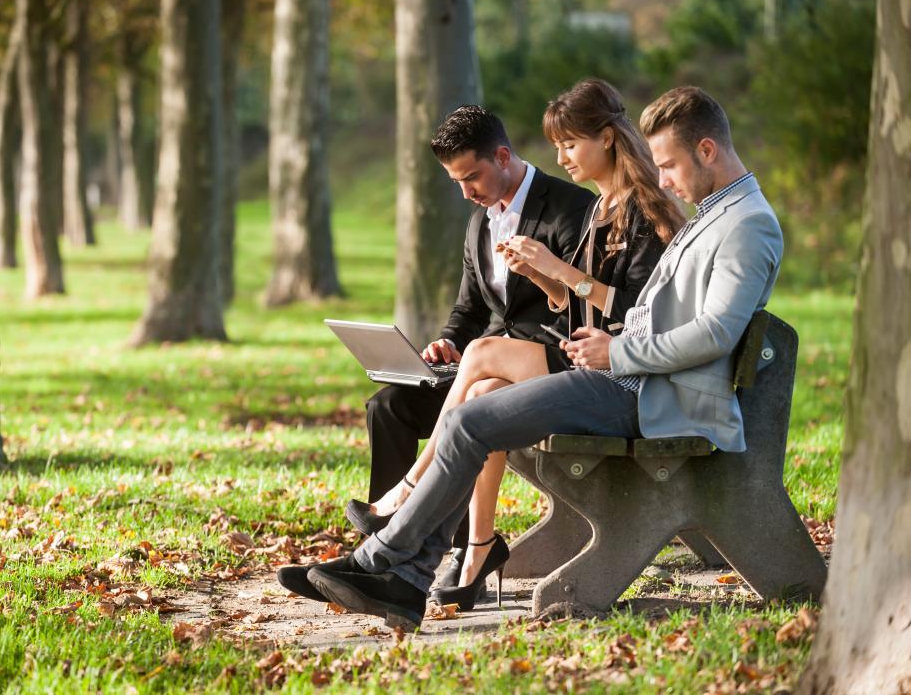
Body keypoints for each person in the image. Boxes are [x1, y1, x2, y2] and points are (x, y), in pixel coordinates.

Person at [290, 85, 784, 632]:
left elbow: (714, 334)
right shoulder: (715, 213)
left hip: (653, 395)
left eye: (669, 164)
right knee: (468, 417)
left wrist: (616, 349)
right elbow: (660, 313)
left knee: (471, 420)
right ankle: (397, 575)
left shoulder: (747, 224)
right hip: (631, 379)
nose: (662, 177)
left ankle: (385, 568)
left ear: (707, 150)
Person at [343, 78, 684, 610]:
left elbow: (638, 314)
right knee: (453, 396)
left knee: (482, 359)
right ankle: (464, 553)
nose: (563, 157)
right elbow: (491, 309)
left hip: (600, 371)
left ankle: (408, 496)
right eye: (558, 147)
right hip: (564, 361)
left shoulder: (605, 209)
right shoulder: (588, 210)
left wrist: (557, 272)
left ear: (608, 139)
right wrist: (546, 284)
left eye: (570, 144)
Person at [276, 106, 591, 603]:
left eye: (472, 176)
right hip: (484, 361)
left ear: (503, 157)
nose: (466, 191)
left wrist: (536, 285)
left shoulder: (570, 208)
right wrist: (448, 342)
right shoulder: (479, 225)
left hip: (546, 365)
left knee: (478, 398)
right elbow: (470, 312)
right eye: (455, 181)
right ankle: (379, 555)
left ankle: (408, 530)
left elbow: (580, 308)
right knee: (390, 406)